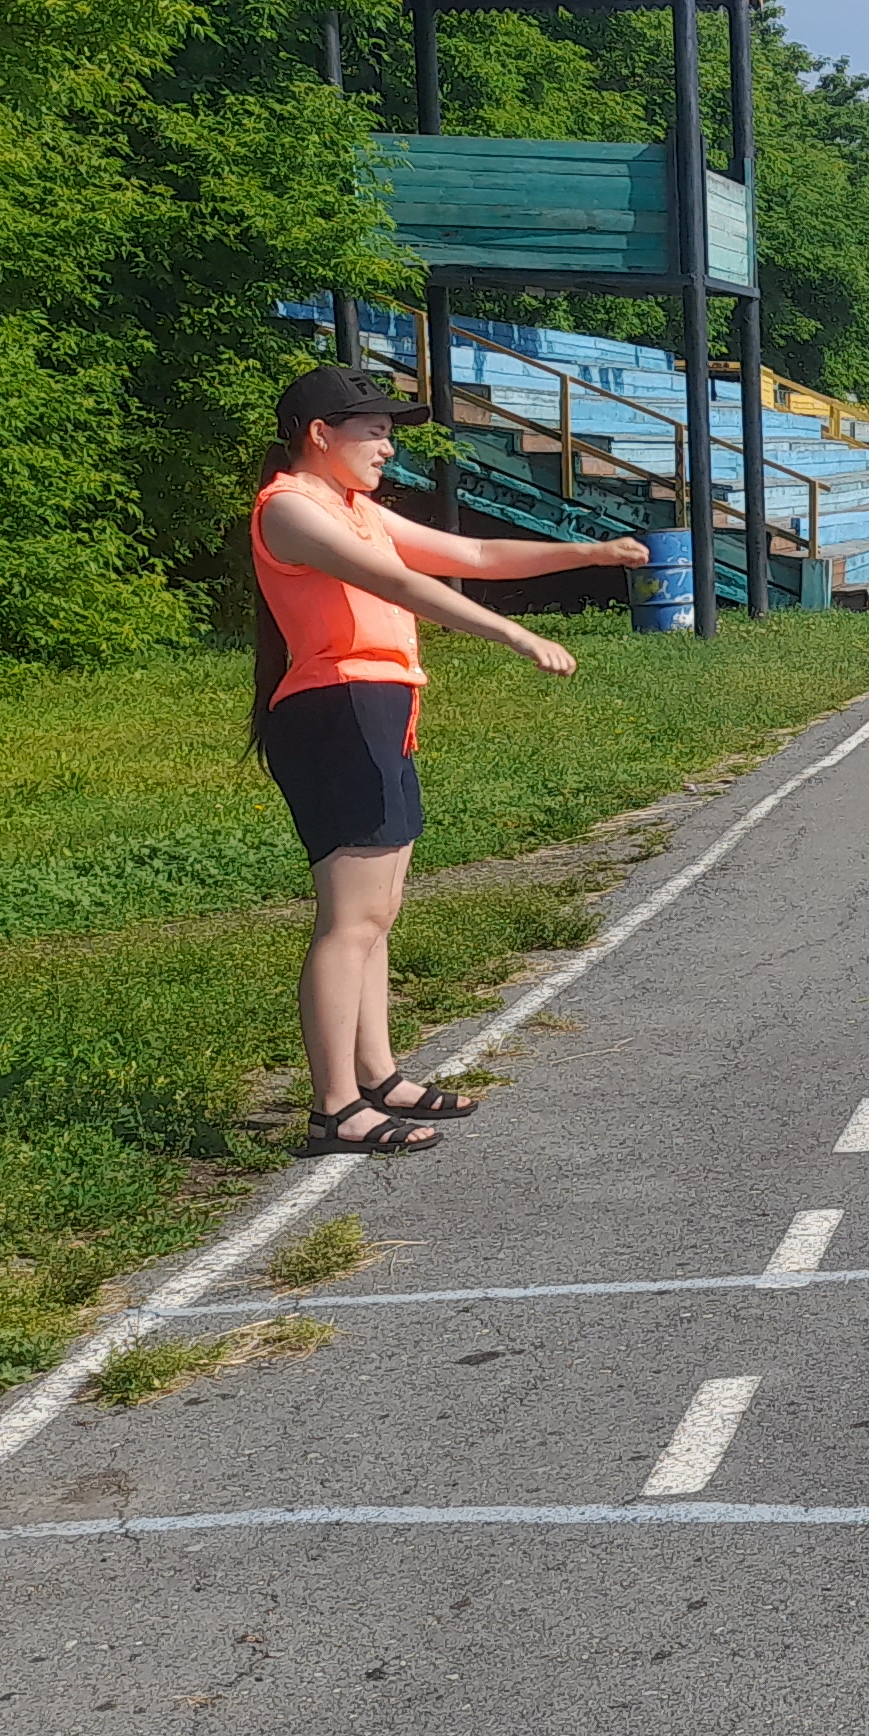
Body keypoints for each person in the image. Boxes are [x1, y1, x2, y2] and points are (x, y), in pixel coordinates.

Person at [247, 363, 645, 1154]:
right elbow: (397, 582)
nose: (388, 447)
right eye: (374, 430)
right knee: (350, 920)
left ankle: (378, 1074)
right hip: (337, 713)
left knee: (378, 914)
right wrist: (516, 635)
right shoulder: (291, 510)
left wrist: (589, 553)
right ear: (320, 435)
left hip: (377, 708)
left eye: (391, 431)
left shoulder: (351, 507)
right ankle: (335, 1107)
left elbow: (471, 555)